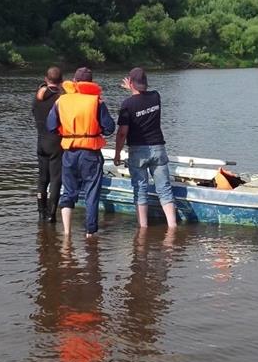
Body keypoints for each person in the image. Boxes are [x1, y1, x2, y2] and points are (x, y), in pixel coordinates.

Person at [46, 67, 115, 238]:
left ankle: (67, 233)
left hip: (69, 152)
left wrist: (67, 132)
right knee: (91, 193)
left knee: (68, 191)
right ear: (91, 83)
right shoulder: (96, 102)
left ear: (75, 82)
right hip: (90, 153)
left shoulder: (61, 101)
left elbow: (51, 126)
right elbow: (109, 128)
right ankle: (90, 233)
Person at [112, 67, 177, 228]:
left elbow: (122, 133)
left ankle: (143, 227)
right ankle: (172, 225)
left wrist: (117, 153)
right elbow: (141, 100)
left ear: (131, 83)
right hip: (158, 148)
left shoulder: (127, 104)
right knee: (164, 188)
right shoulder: (156, 97)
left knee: (140, 190)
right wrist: (133, 89)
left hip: (138, 150)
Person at [31, 66, 64, 222]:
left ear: (46, 79)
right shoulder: (60, 99)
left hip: (41, 142)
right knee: (56, 179)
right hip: (56, 143)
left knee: (42, 179)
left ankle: (40, 213)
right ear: (61, 81)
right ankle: (51, 215)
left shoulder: (37, 98)